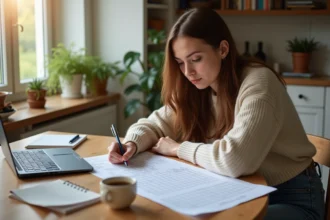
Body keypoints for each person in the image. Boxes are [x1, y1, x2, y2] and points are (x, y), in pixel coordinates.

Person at [108, 8, 324, 219]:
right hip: (242, 191)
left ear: (222, 49)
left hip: (292, 198)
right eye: (180, 62)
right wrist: (131, 143)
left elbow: (235, 159)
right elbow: (155, 124)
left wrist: (177, 148)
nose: (188, 72)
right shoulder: (197, 88)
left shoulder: (259, 83)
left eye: (196, 59)